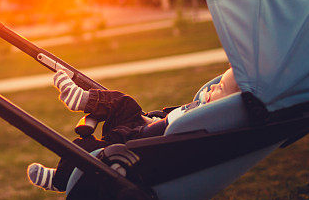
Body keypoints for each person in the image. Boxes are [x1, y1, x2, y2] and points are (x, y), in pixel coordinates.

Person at [27, 68, 240, 192]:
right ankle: (83, 99)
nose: (212, 87)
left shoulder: (205, 120)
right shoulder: (203, 109)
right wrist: (151, 119)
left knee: (86, 147)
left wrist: (151, 124)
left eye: (219, 88)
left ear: (229, 106)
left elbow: (170, 134)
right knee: (125, 102)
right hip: (143, 129)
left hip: (133, 147)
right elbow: (168, 121)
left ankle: (60, 180)